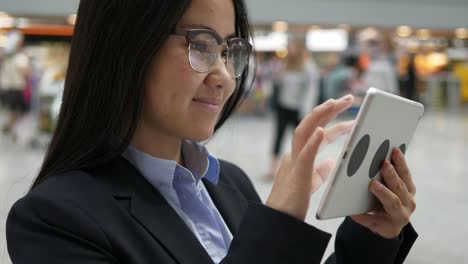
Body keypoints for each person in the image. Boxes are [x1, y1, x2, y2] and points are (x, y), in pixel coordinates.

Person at [6, 1, 418, 263]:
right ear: (127, 46)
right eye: (200, 45)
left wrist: (373, 235)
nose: (223, 76)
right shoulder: (54, 221)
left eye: (229, 51)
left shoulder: (230, 183)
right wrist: (277, 224)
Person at [265, 38, 320, 180]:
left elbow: (311, 91)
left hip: (299, 110)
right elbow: (278, 83)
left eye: (293, 46)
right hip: (283, 107)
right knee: (278, 137)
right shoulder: (285, 65)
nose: (290, 50)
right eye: (289, 47)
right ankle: (272, 168)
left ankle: (299, 171)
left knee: (300, 141)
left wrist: (306, 112)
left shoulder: (308, 66)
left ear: (300, 48)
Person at [0, 30, 30, 138]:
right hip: (15, 87)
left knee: (12, 110)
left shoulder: (5, 56)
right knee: (19, 111)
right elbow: (26, 72)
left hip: (7, 87)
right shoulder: (19, 57)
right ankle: (12, 129)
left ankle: (10, 127)